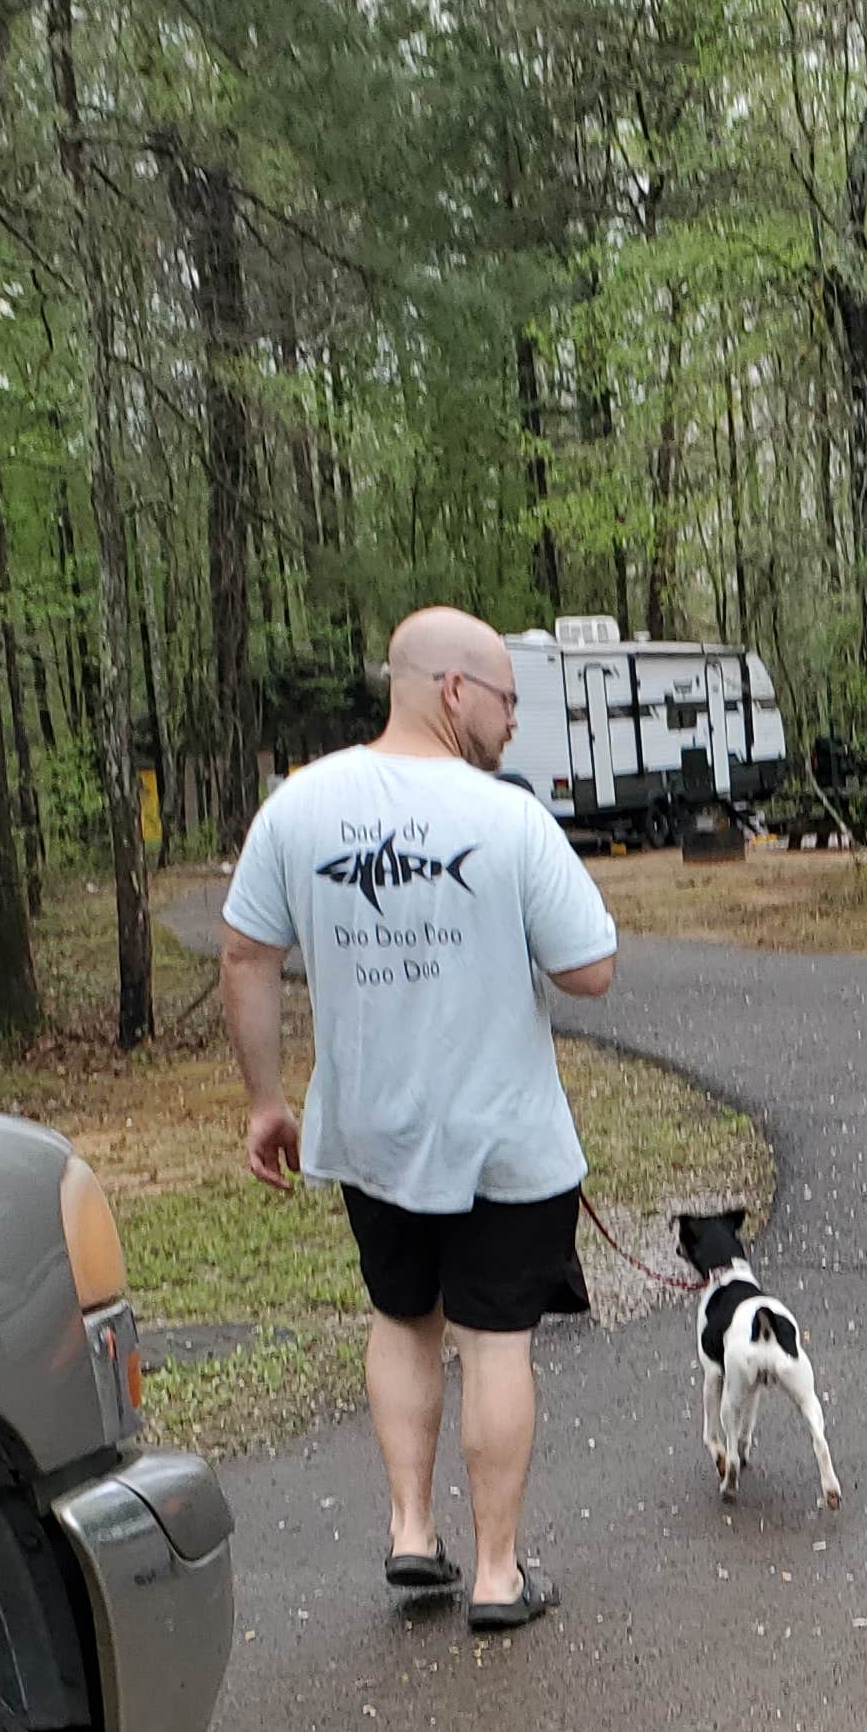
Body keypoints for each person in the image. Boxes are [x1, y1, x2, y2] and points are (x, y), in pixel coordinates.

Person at [222, 607, 619, 1634]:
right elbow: (592, 971)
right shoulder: (509, 817)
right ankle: (495, 1574)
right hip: (502, 1140)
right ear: (453, 691)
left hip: (370, 1133)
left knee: (402, 1319)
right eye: (506, 700)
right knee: (493, 1343)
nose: (512, 724)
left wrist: (269, 1102)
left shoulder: (298, 809)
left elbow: (245, 956)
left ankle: (410, 1531)